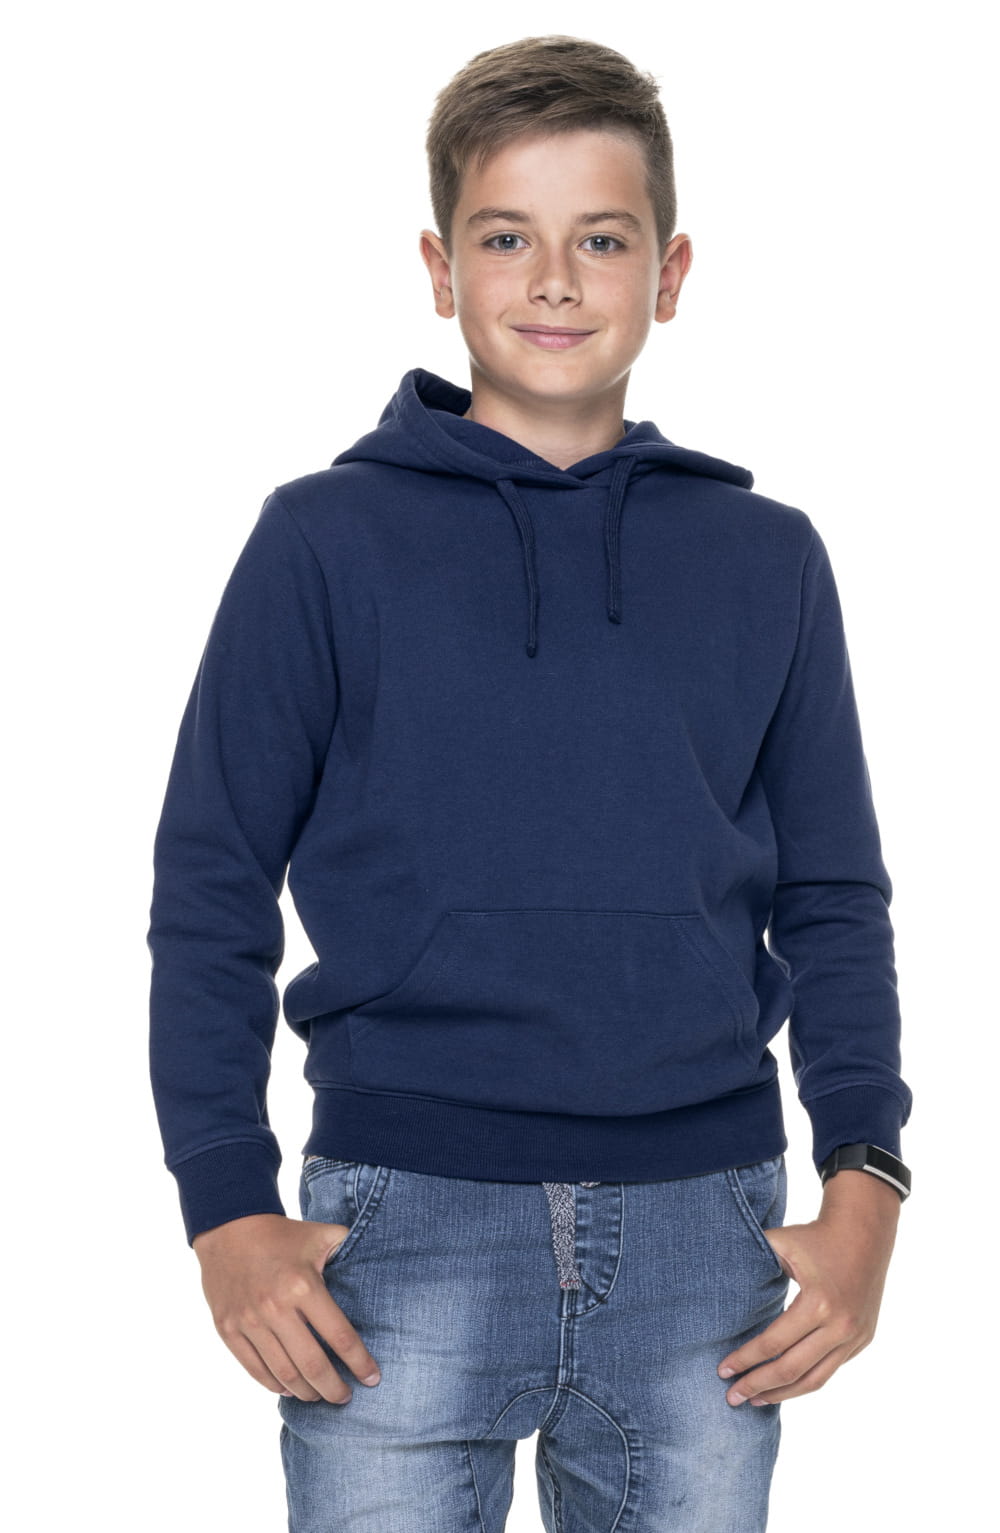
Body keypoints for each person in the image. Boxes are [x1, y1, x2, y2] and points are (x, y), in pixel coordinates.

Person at [146, 34, 913, 1532]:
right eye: (507, 238)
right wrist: (225, 1200)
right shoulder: (322, 541)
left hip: (706, 1234)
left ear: (669, 273)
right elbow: (212, 883)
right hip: (398, 1222)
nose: (555, 280)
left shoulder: (767, 558)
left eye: (601, 240)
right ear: (441, 269)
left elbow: (835, 895)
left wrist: (868, 1174)